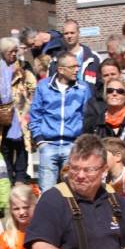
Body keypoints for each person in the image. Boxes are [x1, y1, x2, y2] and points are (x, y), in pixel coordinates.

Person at [25, 134, 125, 249]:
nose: (80, 175)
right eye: (74, 168)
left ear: (104, 170)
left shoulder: (112, 196)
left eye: (88, 170)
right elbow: (40, 248)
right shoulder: (53, 199)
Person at [29, 53, 92, 192]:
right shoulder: (43, 86)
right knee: (47, 191)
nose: (77, 70)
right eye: (73, 67)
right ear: (61, 70)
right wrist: (40, 141)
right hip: (48, 144)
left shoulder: (83, 88)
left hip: (72, 145)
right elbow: (35, 114)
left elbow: (88, 116)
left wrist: (81, 142)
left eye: (77, 66)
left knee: (73, 189)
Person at [0, 37, 38, 184]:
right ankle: (7, 179)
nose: (14, 54)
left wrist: (28, 104)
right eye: (10, 52)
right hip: (1, 115)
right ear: (3, 52)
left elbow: (33, 87)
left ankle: (20, 178)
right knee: (4, 148)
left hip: (20, 115)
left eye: (15, 51)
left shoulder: (23, 66)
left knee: (21, 147)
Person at [83, 58, 125, 131]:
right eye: (106, 75)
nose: (110, 77)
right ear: (101, 78)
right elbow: (88, 126)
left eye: (113, 74)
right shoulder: (94, 102)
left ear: (120, 74)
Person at [47, 19, 102, 92]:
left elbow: (101, 86)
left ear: (78, 33)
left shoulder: (94, 58)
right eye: (66, 33)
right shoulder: (55, 61)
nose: (69, 36)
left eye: (72, 33)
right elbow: (49, 86)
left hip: (89, 98)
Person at [0, 184, 40, 249]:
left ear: (34, 206)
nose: (21, 212)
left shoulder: (44, 234)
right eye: (16, 209)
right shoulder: (6, 238)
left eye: (26, 207)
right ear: (11, 211)